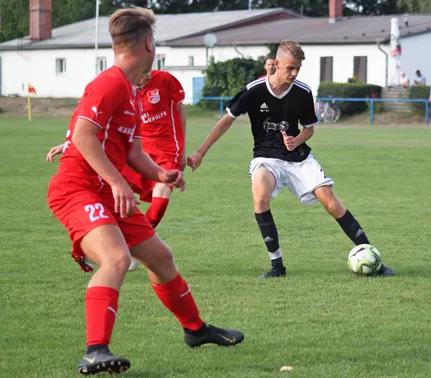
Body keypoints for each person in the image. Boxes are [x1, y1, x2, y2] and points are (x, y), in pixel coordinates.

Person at [47, 8, 243, 376]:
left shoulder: (131, 90)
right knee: (117, 259)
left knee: (162, 258)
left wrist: (162, 175)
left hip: (104, 190)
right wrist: (119, 182)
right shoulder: (109, 83)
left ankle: (196, 330)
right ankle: (95, 350)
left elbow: (133, 151)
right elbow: (85, 137)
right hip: (77, 189)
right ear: (149, 44)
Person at [187, 40, 394, 279]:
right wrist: (200, 152)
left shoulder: (302, 92)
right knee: (260, 197)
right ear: (276, 64)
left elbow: (309, 129)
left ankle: (373, 261)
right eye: (290, 68)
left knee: (332, 204)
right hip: (266, 157)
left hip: (298, 157)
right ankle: (277, 267)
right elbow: (226, 121)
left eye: (298, 68)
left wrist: (297, 140)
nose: (294, 73)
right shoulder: (253, 90)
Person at [47, 69, 188, 271]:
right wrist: (67, 144)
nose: (146, 73)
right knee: (112, 200)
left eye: (149, 68)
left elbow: (180, 110)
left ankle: (137, 249)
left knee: (160, 202)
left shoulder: (165, 80)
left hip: (167, 152)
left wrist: (181, 149)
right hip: (135, 152)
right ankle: (88, 247)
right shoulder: (123, 92)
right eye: (142, 70)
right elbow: (93, 126)